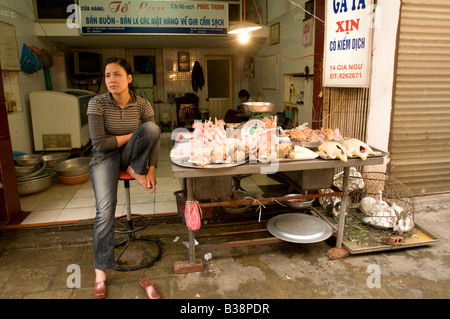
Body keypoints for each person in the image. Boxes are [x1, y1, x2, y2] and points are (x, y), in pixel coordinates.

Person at [87, 57, 161, 299]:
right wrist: (133, 135)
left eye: (117, 74)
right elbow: (100, 143)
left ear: (129, 78)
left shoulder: (142, 104)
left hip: (131, 158)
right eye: (107, 75)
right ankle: (100, 274)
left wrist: (151, 169)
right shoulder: (96, 103)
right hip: (104, 158)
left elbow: (153, 138)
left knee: (152, 129)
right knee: (105, 212)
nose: (111, 80)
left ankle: (136, 170)